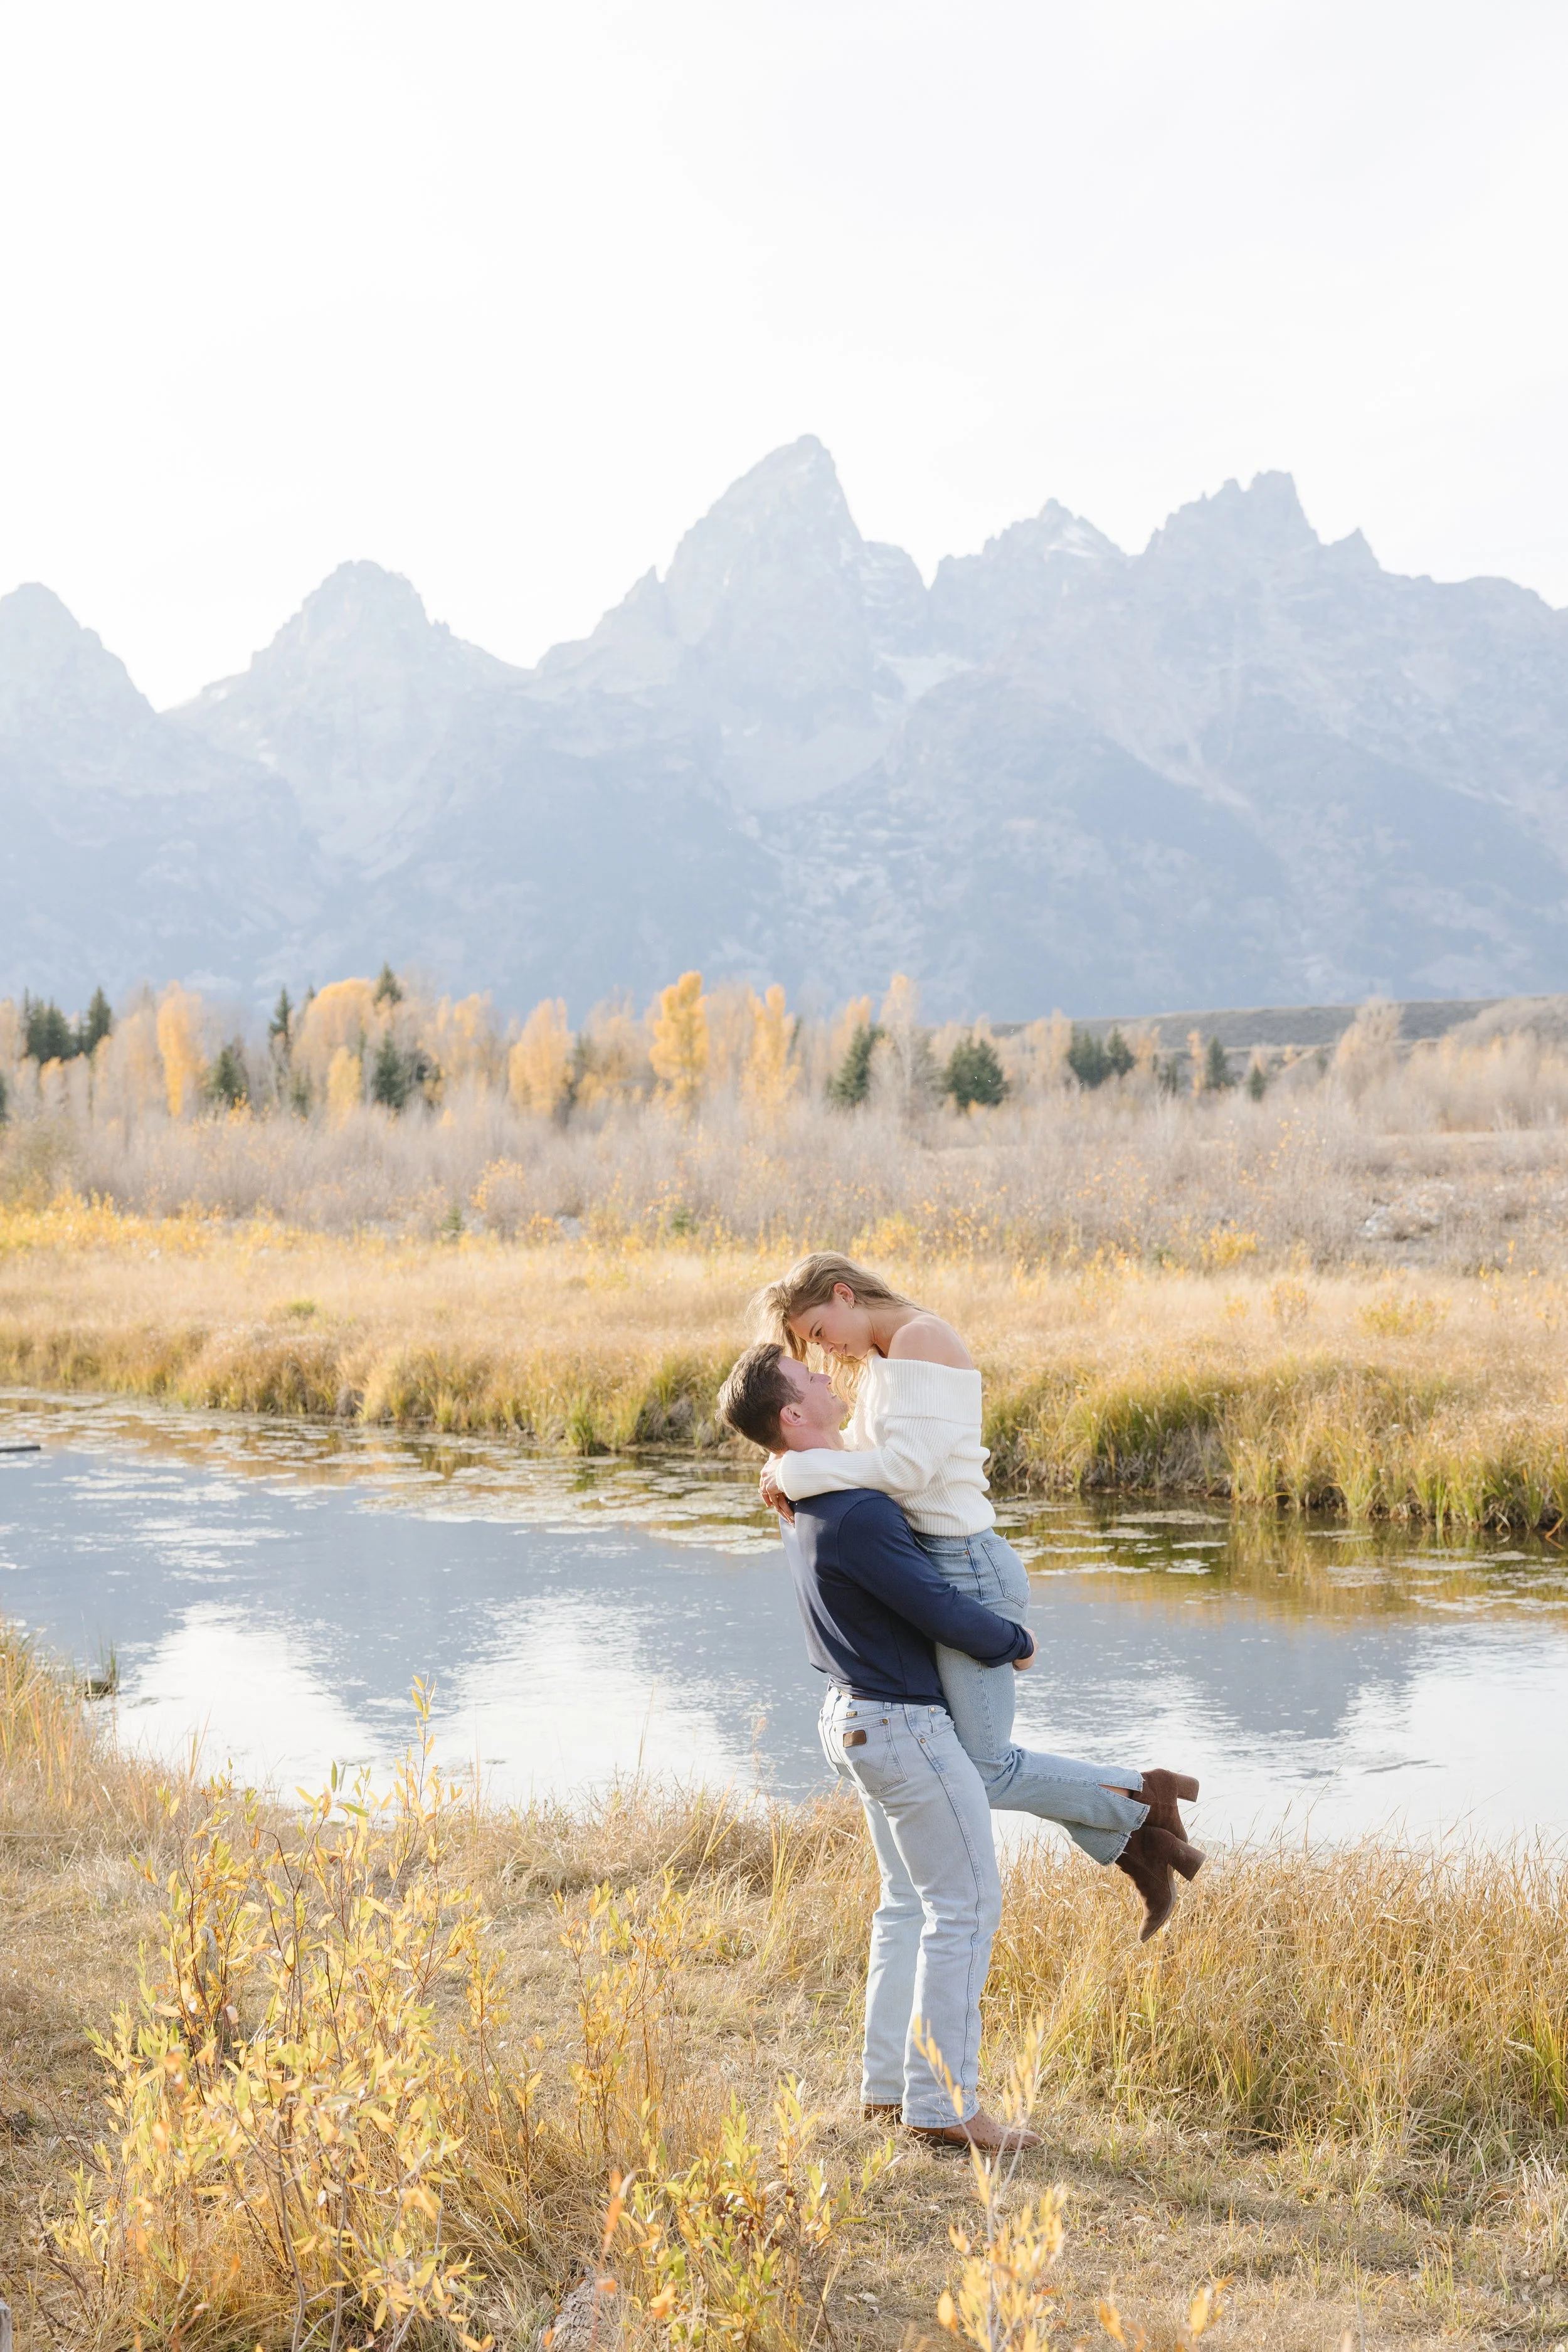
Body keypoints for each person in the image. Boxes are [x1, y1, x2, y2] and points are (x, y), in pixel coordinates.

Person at [751, 1251, 1204, 1937]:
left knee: (981, 1770)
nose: (825, 1350)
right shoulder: (884, 1360)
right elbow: (858, 1457)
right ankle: (1139, 1842)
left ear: (843, 1295)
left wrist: (797, 1472)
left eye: (819, 1331)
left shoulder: (920, 1339)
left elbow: (905, 1471)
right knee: (962, 1766)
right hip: (939, 1565)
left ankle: (1144, 1797)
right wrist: (787, 1460)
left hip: (969, 1568)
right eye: (811, 1346)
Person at [718, 1337, 1042, 2148]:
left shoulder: (810, 1492)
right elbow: (934, 1604)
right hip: (901, 1727)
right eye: (809, 1376)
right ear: (793, 1416)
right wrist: (1013, 1640)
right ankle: (945, 2105)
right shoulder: (855, 1510)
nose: (827, 1375)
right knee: (964, 1906)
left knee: (906, 1903)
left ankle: (889, 2087)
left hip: (854, 1715)